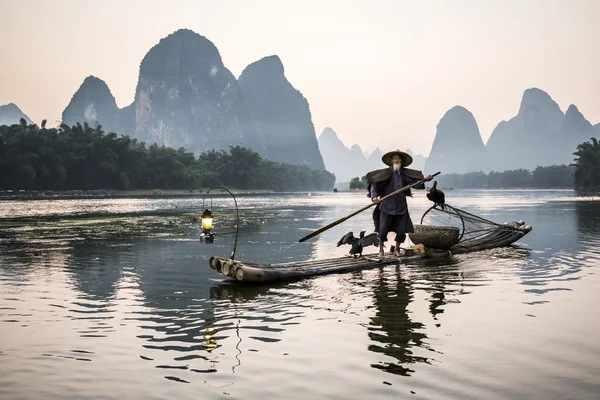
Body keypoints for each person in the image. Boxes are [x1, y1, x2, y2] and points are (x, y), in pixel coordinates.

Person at [366, 149, 433, 257]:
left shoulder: (404, 175)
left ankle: (397, 249)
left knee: (401, 231)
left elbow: (415, 184)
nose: (396, 160)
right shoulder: (385, 173)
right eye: (395, 158)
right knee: (382, 231)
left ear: (401, 161)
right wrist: (374, 197)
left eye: (398, 159)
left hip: (401, 206)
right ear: (392, 161)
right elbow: (374, 184)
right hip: (386, 206)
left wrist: (425, 180)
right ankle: (381, 250)